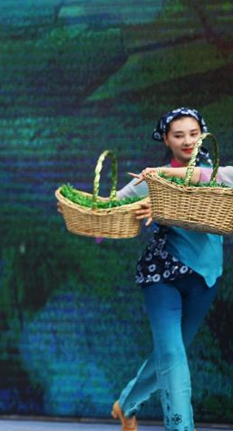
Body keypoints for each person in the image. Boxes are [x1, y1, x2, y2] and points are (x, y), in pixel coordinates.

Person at [111, 107, 223, 431]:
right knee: (173, 355)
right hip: (162, 275)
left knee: (169, 351)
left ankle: (126, 403)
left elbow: (215, 180)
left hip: (206, 276)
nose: (187, 141)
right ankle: (180, 427)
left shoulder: (213, 174)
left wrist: (165, 192)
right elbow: (113, 206)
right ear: (166, 139)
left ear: (202, 134)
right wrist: (107, 218)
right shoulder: (153, 178)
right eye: (178, 135)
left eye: (193, 133)